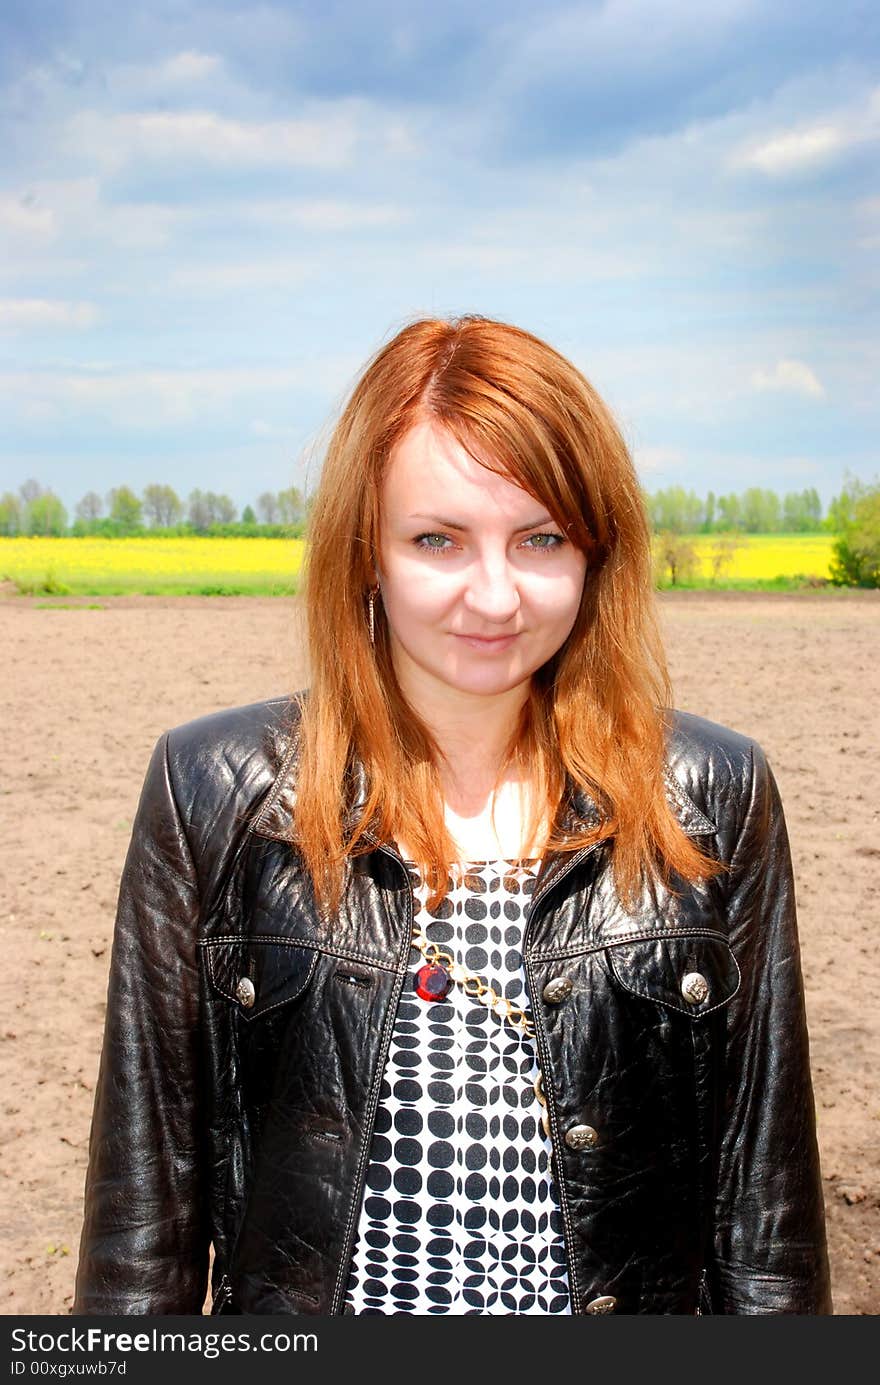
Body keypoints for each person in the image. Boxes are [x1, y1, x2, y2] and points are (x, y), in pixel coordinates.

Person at [73, 315, 831, 1316]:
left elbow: (763, 1213)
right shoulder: (213, 789)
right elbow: (143, 1220)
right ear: (365, 553)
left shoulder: (711, 793)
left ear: (596, 550)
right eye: (437, 538)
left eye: (540, 537)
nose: (494, 593)